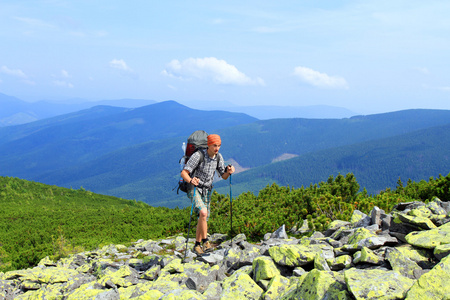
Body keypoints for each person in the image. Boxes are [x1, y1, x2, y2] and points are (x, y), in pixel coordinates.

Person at [180, 133, 235, 255]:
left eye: (219, 145)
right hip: (193, 188)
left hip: (207, 190)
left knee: (203, 217)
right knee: (203, 212)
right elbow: (184, 173)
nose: (217, 148)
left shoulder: (218, 157)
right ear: (208, 145)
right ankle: (205, 242)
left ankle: (197, 245)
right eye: (215, 145)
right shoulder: (198, 155)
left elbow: (223, 176)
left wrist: (229, 172)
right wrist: (191, 180)